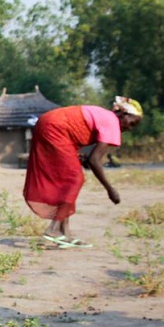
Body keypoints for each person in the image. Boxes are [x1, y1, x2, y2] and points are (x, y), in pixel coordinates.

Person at [23, 96, 142, 248]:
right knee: (75, 179)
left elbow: (84, 146)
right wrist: (110, 189)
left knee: (67, 180)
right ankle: (53, 230)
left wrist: (81, 158)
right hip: (55, 128)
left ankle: (65, 233)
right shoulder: (112, 122)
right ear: (123, 114)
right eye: (132, 123)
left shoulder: (105, 116)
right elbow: (94, 160)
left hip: (47, 122)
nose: (130, 128)